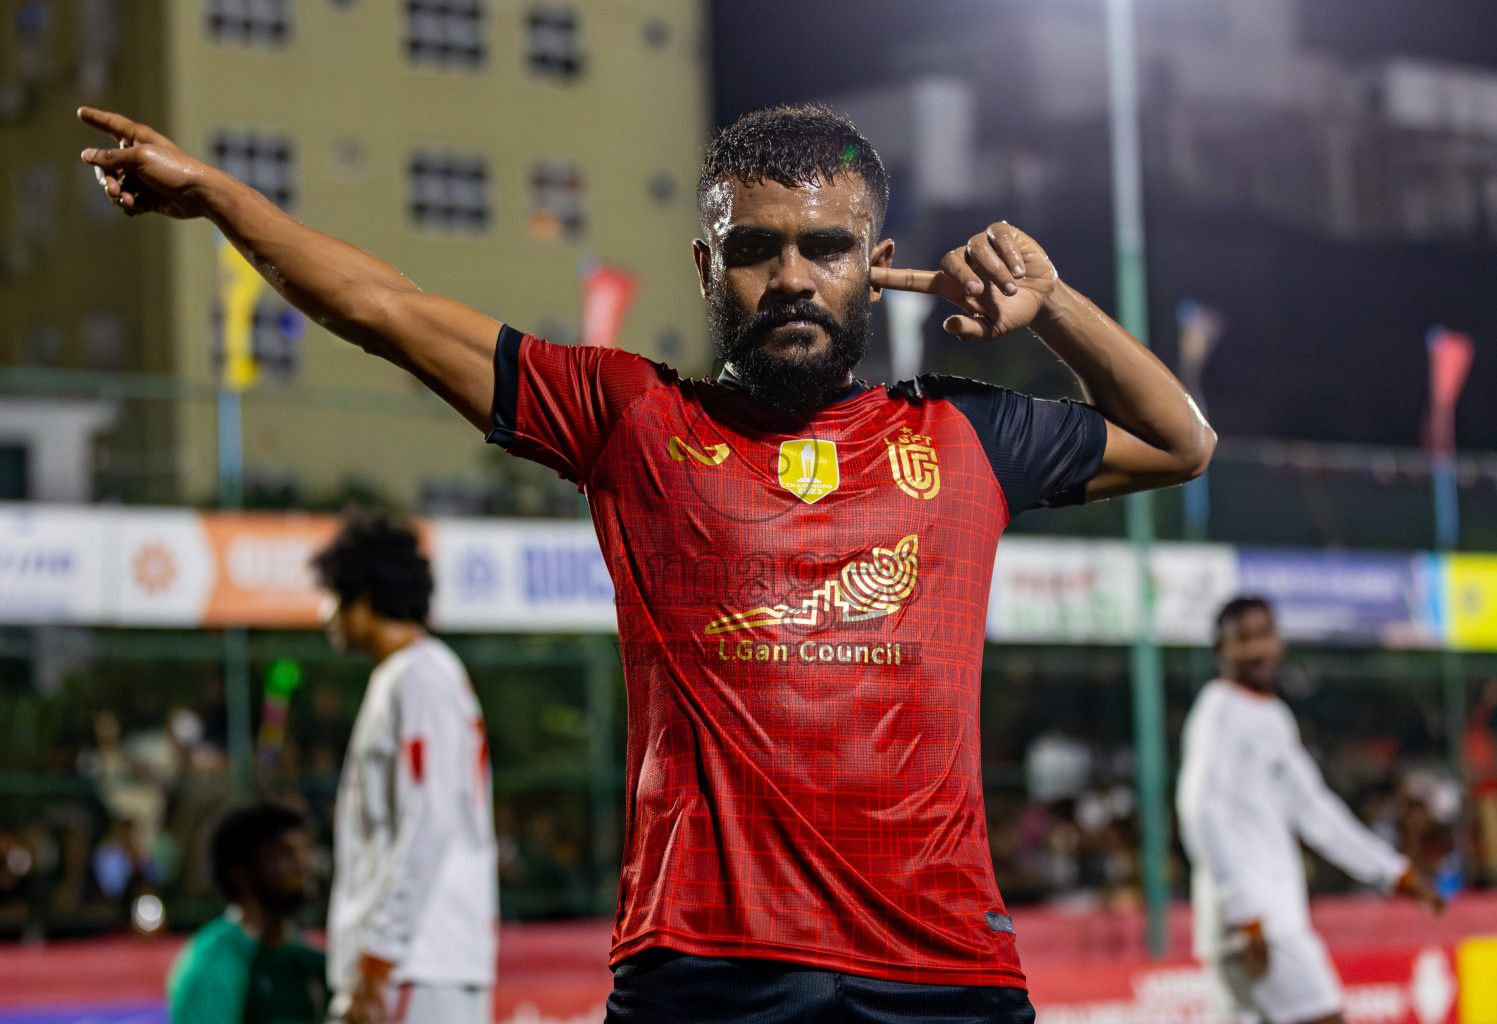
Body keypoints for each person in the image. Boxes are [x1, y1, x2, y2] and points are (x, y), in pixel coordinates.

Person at [80, 101, 1215, 1023]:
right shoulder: (630, 416)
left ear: (878, 266)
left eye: (825, 247)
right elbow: (386, 308)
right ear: (707, 265)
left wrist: (1052, 303)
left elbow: (1181, 439)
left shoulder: (964, 433)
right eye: (755, 249)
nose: (791, 278)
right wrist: (221, 197)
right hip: (704, 972)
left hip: (943, 972)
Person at [1176, 596, 1443, 1024]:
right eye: (1242, 639)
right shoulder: (1219, 711)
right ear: (1221, 651)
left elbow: (1316, 811)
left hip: (1251, 923)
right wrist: (1246, 914)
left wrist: (1392, 871)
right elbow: (1199, 810)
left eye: (1264, 635)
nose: (1257, 648)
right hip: (1259, 921)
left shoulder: (1272, 715)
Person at [310, 512, 496, 1024]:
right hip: (408, 962)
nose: (325, 614)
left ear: (365, 599)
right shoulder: (405, 676)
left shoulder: (420, 678)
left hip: (415, 963)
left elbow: (428, 821)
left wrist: (377, 963)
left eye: (334, 596)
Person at [166, 803, 328, 1024]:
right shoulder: (213, 967)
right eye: (284, 853)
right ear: (240, 872)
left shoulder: (311, 962)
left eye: (304, 850)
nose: (302, 865)